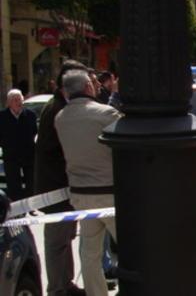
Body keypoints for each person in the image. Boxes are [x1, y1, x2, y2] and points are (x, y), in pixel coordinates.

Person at [55, 69, 121, 296]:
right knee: (133, 248)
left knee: (90, 253)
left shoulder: (60, 118)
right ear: (87, 88)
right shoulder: (106, 114)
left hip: (81, 195)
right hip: (109, 192)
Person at [34, 60, 88, 296]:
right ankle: (57, 288)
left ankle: (66, 283)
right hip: (55, 188)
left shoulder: (61, 106)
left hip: (63, 186)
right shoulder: (57, 109)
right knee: (57, 240)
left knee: (66, 237)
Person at [0, 89, 37, 201]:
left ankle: (31, 207)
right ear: (9, 103)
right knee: (13, 185)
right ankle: (16, 209)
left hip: (28, 155)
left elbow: (34, 133)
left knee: (31, 183)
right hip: (11, 156)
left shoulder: (30, 115)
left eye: (20, 100)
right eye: (15, 100)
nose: (19, 103)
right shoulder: (2, 117)